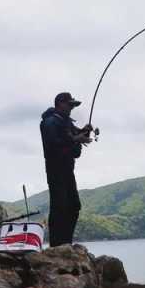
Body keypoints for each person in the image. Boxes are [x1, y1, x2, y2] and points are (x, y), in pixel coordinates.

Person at [40, 92, 92, 246]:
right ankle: (57, 245)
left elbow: (75, 136)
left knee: (74, 206)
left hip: (68, 170)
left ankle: (66, 243)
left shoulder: (66, 122)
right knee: (59, 207)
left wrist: (84, 131)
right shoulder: (49, 122)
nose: (71, 108)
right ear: (60, 103)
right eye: (69, 105)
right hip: (55, 170)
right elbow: (53, 144)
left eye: (73, 106)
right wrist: (77, 139)